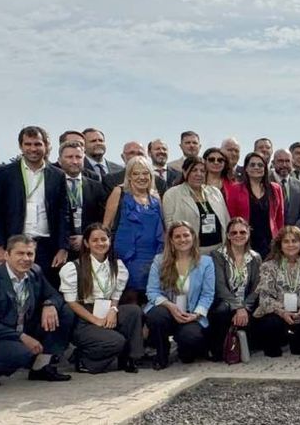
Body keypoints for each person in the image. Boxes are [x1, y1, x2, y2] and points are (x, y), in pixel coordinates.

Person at [0, 235, 74, 387]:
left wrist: (49, 304)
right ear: (7, 255)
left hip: (22, 327)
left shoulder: (35, 272)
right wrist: (21, 337)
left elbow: (54, 295)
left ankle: (41, 367)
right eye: (20, 253)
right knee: (23, 355)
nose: (26, 258)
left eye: (30, 254)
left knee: (65, 311)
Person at [0, 126, 71, 287]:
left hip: (47, 246)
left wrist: (63, 248)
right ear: (21, 146)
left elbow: (64, 214)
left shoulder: (58, 175)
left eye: (38, 144)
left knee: (46, 290)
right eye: (28, 144)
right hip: (14, 244)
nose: (33, 149)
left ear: (46, 146)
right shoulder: (4, 173)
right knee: (13, 291)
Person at [58, 224, 144, 373]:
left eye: (104, 239)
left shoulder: (117, 266)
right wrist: (95, 320)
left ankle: (130, 358)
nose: (100, 243)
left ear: (109, 241)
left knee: (133, 311)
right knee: (117, 341)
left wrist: (113, 310)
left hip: (106, 310)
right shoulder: (73, 268)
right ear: (87, 243)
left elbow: (116, 295)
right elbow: (71, 302)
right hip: (84, 318)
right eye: (95, 240)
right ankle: (84, 359)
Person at [143, 222, 215, 369]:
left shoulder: (206, 262)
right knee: (156, 316)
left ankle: (183, 348)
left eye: (186, 235)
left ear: (193, 237)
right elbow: (152, 291)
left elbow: (208, 294)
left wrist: (196, 315)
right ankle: (162, 353)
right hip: (167, 311)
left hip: (191, 313)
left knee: (190, 343)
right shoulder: (159, 261)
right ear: (171, 240)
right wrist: (170, 306)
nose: (182, 239)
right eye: (177, 236)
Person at [251, 227, 300, 357]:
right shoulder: (269, 266)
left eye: (294, 241)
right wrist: (283, 312)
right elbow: (265, 297)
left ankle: (297, 342)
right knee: (271, 326)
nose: (291, 245)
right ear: (280, 245)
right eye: (286, 241)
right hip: (277, 314)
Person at [103, 156, 165, 305]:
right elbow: (106, 226)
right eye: (136, 173)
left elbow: (163, 228)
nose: (141, 177)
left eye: (145, 173)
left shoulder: (156, 198)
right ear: (129, 176)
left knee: (151, 298)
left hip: (152, 257)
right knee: (130, 299)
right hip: (126, 258)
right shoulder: (119, 192)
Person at [207, 218, 262, 361]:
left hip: (247, 303)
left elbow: (257, 287)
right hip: (225, 302)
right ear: (228, 235)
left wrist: (245, 307)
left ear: (248, 234)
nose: (238, 235)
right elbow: (220, 286)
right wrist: (238, 307)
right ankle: (218, 349)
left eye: (242, 232)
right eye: (234, 232)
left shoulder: (255, 257)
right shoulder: (217, 255)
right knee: (222, 310)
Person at [163, 156, 231, 255]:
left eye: (202, 171)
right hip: (190, 252)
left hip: (219, 250)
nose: (199, 174)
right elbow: (169, 226)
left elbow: (226, 219)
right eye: (194, 170)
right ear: (184, 172)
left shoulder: (215, 192)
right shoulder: (172, 194)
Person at [224, 152, 285, 258]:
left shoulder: (275, 188)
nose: (256, 167)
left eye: (260, 165)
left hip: (270, 242)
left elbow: (280, 218)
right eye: (252, 165)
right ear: (246, 169)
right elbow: (231, 218)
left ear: (265, 169)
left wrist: (280, 240)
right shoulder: (235, 189)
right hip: (245, 242)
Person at [57, 140, 107, 257]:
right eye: (69, 157)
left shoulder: (96, 186)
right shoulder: (52, 185)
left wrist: (86, 236)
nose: (75, 161)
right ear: (59, 160)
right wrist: (64, 242)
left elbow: (101, 218)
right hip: (58, 250)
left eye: (78, 157)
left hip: (88, 248)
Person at [272, 149, 300, 235]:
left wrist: (293, 232)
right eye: (280, 161)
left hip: (295, 236)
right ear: (273, 163)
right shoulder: (265, 182)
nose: (284, 165)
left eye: (287, 161)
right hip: (270, 236)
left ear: (292, 163)